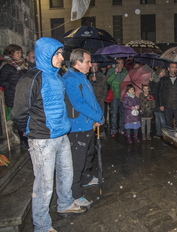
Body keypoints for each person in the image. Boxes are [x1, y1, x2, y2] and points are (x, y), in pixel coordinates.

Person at [11, 37, 86, 232]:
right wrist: (31, 131)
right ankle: (42, 226)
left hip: (61, 135)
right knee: (44, 186)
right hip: (42, 139)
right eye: (58, 54)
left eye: (61, 53)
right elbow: (18, 112)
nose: (62, 57)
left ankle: (65, 203)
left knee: (66, 173)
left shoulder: (56, 76)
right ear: (47, 55)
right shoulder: (31, 78)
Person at [62, 49, 104, 209]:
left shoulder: (82, 77)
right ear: (77, 62)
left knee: (88, 154)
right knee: (77, 161)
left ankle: (85, 178)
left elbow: (91, 99)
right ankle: (75, 194)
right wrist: (97, 117)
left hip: (88, 124)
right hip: (77, 127)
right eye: (87, 61)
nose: (90, 64)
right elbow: (79, 104)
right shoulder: (71, 79)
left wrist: (98, 116)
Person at [158, 63, 177, 130]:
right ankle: (170, 138)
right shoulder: (164, 79)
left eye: (175, 67)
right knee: (168, 123)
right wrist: (161, 104)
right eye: (172, 67)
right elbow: (159, 92)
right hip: (168, 104)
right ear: (168, 69)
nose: (174, 69)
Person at [107, 57, 128, 137]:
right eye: (119, 63)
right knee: (114, 114)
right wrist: (115, 73)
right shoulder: (111, 71)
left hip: (123, 96)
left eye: (122, 63)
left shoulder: (126, 72)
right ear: (116, 64)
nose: (120, 65)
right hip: (114, 95)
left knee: (123, 113)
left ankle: (121, 129)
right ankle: (113, 129)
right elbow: (108, 81)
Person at [88, 62, 108, 137]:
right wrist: (92, 81)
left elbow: (104, 86)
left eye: (96, 66)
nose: (94, 67)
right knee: (93, 116)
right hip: (92, 100)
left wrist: (103, 98)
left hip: (100, 99)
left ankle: (101, 131)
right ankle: (93, 131)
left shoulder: (101, 76)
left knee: (101, 115)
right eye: (93, 66)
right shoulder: (88, 76)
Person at [150, 67, 166, 139]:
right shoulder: (156, 81)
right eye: (162, 72)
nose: (163, 73)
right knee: (158, 118)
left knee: (161, 118)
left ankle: (163, 133)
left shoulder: (163, 81)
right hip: (156, 101)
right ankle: (159, 132)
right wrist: (151, 82)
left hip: (160, 101)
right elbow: (154, 91)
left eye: (164, 72)